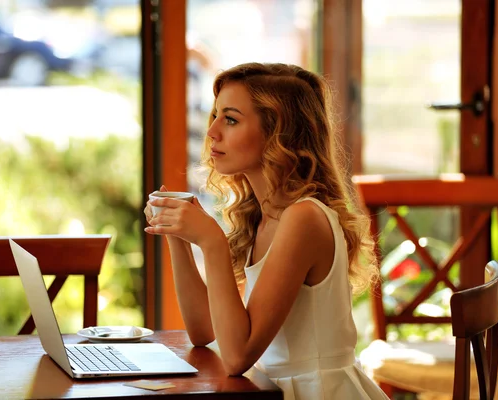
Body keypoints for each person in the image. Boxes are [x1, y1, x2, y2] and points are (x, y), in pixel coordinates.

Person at [144, 62, 389, 400]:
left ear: (278, 134)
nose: (212, 132)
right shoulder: (264, 215)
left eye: (230, 119)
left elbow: (237, 357)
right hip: (273, 390)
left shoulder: (304, 218)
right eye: (215, 115)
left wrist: (211, 240)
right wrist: (176, 234)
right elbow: (204, 331)